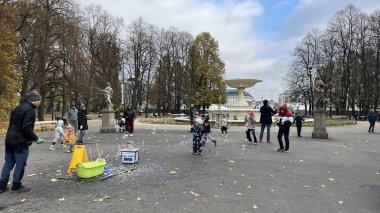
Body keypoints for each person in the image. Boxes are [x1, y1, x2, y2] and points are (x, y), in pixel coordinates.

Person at [0, 91, 42, 193]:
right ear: (34, 100)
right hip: (20, 141)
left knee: (8, 163)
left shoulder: (17, 108)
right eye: (39, 100)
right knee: (20, 163)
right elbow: (26, 128)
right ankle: (16, 186)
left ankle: (1, 186)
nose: (40, 102)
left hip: (9, 139)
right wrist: (36, 138)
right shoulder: (30, 111)